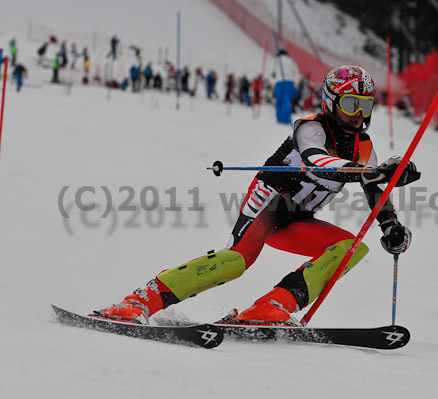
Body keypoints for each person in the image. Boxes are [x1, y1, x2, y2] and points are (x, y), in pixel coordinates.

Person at [92, 65, 415, 325]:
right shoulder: (310, 128)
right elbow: (319, 160)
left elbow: (375, 190)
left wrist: (391, 224)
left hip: (298, 219)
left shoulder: (363, 145)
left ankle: (270, 307)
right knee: (236, 260)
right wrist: (370, 170)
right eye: (350, 104)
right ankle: (137, 302)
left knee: (349, 248)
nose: (358, 114)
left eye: (365, 105)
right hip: (269, 206)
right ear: (331, 102)